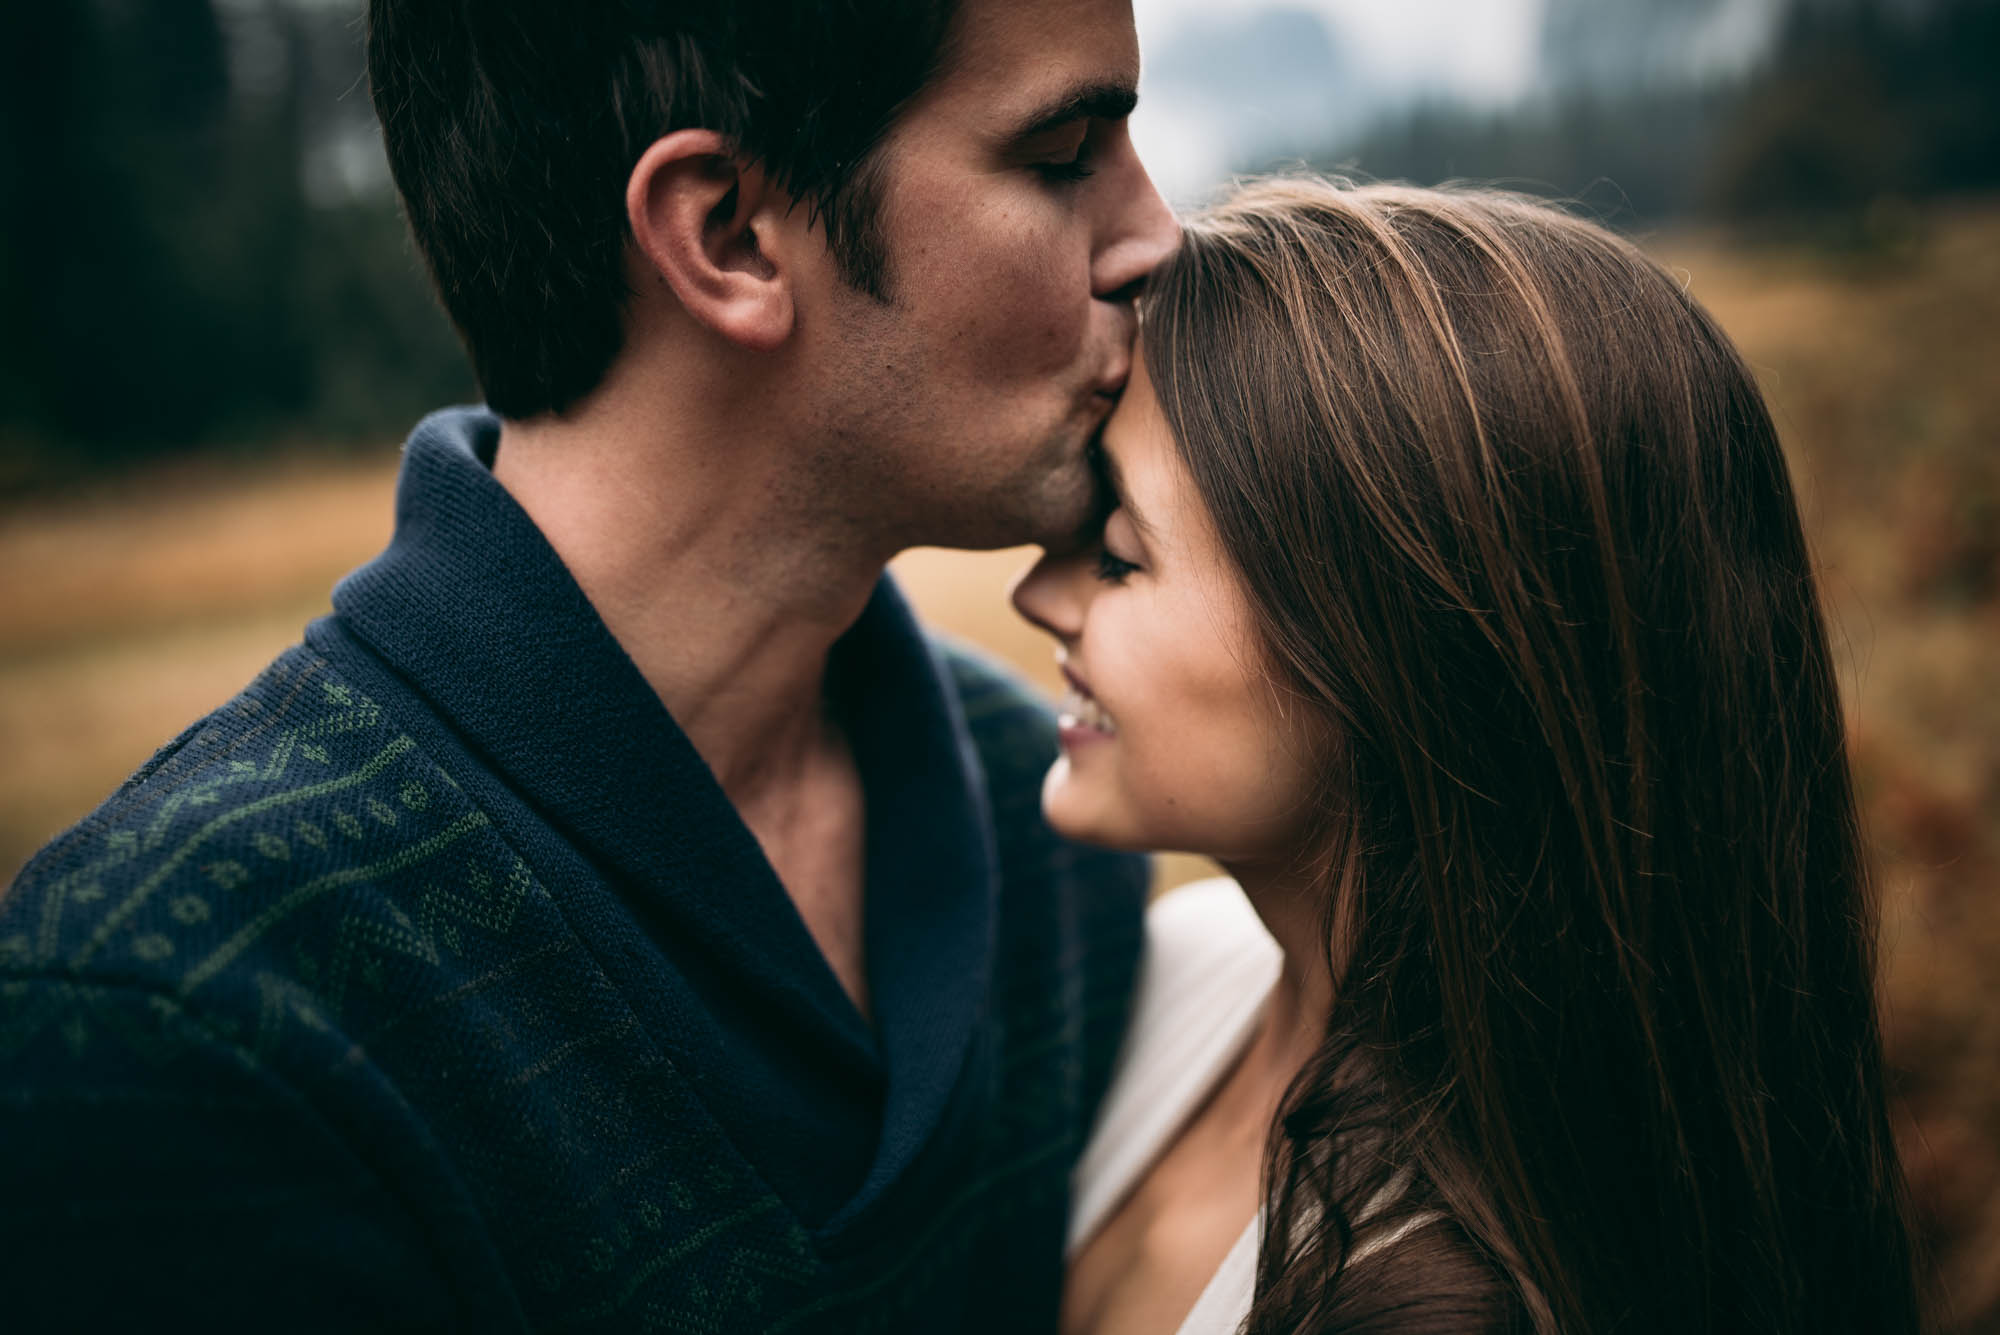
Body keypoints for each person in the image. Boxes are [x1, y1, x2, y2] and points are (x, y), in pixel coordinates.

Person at [0, 0, 1178, 1328]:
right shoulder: (173, 1025)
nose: (1157, 236)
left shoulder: (1063, 825)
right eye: (1067, 149)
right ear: (727, 234)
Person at [1017, 179, 1924, 1335]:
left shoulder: (1452, 1304)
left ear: (1393, 650)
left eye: (1114, 553)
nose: (1032, 594)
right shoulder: (1166, 972)